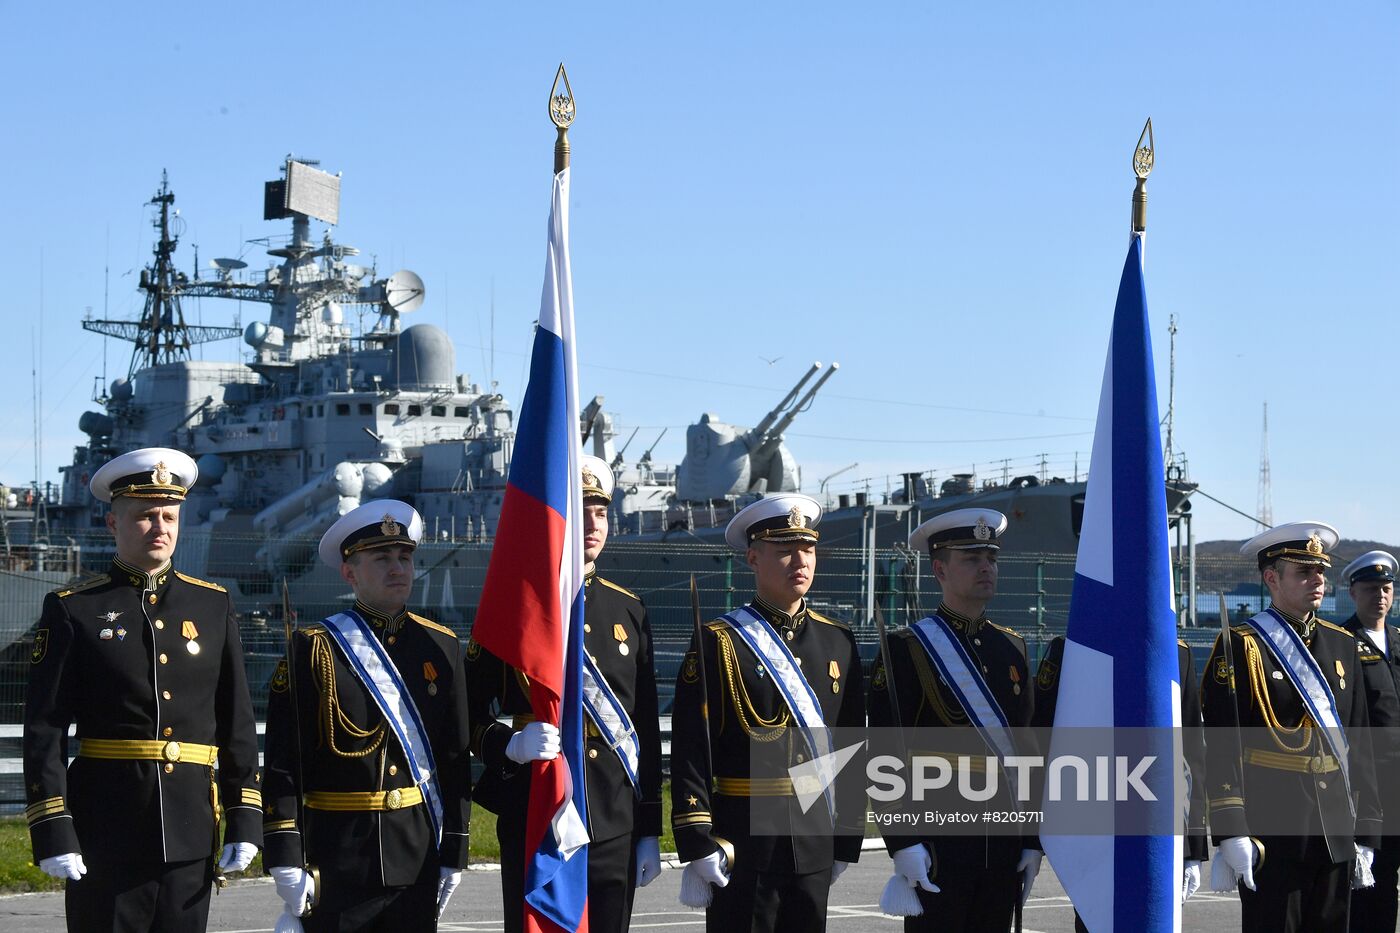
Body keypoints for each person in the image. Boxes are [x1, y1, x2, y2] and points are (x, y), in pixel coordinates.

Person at [22, 447, 262, 932]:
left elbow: (236, 722)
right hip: (106, 832)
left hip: (192, 830)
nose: (160, 527)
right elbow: (45, 728)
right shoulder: (75, 609)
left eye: (169, 516)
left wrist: (244, 816)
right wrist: (52, 826)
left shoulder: (212, 606)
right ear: (113, 524)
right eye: (145, 516)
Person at [466, 455, 663, 932]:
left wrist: (649, 830)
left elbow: (646, 727)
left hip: (613, 820)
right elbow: (467, 713)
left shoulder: (629, 610)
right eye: (581, 511)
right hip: (537, 813)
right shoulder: (514, 609)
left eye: (601, 511)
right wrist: (509, 744)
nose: (593, 523)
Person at [261, 500, 472, 931]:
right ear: (349, 572)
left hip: (416, 853)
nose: (398, 567)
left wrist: (455, 850)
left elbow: (454, 760)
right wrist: (285, 854)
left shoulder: (442, 646)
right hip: (338, 857)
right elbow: (284, 765)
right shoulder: (314, 648)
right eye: (381, 558)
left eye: (405, 557)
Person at [670, 493, 865, 932]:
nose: (800, 561)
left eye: (808, 549)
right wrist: (696, 836)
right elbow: (691, 749)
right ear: (753, 558)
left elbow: (851, 745)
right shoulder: (720, 641)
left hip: (815, 842)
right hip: (744, 841)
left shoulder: (838, 642)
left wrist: (845, 838)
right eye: (784, 551)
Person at [1201, 521, 1381, 932]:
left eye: (1320, 571)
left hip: (1336, 830)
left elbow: (1359, 742)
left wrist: (1369, 830)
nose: (1317, 580)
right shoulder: (1243, 646)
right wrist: (1231, 832)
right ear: (1271, 578)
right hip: (1273, 834)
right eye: (1303, 571)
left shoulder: (1342, 645)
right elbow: (1223, 748)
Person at [868, 508, 1042, 931]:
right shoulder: (906, 649)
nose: (986, 567)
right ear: (939, 569)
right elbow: (883, 753)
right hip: (939, 846)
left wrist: (1033, 838)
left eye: (992, 558)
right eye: (971, 559)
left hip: (1002, 843)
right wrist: (902, 840)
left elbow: (1027, 747)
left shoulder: (1011, 648)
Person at [1033, 635, 1210, 925]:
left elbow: (1190, 754)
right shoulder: (1074, 647)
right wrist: (1032, 840)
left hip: (1157, 828)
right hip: (1093, 825)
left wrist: (1192, 847)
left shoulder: (1176, 652)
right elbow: (1041, 743)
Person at [1339, 550, 1400, 931]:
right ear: (1353, 593)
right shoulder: (1341, 643)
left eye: (1386, 588)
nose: (1380, 595)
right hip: (1372, 786)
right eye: (1371, 588)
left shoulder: (1398, 639)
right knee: (1374, 882)